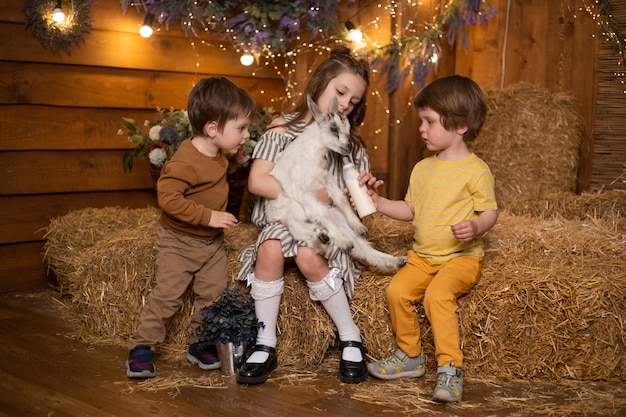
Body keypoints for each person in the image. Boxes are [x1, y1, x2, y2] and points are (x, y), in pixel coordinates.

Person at [235, 46, 379, 385]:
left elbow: (351, 198)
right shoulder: (284, 130)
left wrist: (362, 189)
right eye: (340, 92)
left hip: (326, 222)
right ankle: (265, 343)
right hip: (285, 217)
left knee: (308, 252)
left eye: (354, 101)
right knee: (269, 249)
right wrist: (307, 194)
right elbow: (258, 181)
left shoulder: (350, 145)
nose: (345, 104)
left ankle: (350, 335)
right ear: (318, 85)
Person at [366, 75, 498, 403]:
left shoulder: (476, 170)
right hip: (423, 256)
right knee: (396, 291)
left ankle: (450, 368)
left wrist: (476, 226)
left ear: (461, 125)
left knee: (437, 296)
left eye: (429, 122)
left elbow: (490, 212)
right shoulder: (422, 169)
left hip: (460, 258)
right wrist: (380, 204)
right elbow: (410, 209)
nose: (422, 129)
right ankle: (410, 357)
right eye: (421, 121)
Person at [126, 77, 257, 378]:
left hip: (210, 244)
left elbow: (215, 177)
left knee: (213, 295)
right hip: (180, 242)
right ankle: (142, 347)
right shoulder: (185, 161)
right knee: (168, 295)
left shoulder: (217, 155)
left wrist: (236, 163)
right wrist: (209, 216)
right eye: (241, 128)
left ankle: (198, 343)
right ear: (213, 129)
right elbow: (168, 198)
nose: (246, 134)